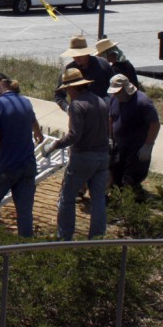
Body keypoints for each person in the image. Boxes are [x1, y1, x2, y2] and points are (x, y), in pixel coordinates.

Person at [44, 67, 111, 240]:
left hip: (83, 156)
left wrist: (54, 146)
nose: (67, 93)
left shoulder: (77, 105)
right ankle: (97, 238)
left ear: (72, 88)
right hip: (103, 156)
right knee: (98, 199)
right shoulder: (100, 101)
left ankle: (64, 238)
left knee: (67, 198)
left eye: (66, 90)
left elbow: (74, 135)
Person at [0, 72, 44, 237]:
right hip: (28, 166)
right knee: (25, 212)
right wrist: (38, 135)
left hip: (6, 167)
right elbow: (34, 123)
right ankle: (25, 250)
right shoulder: (25, 102)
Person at [106, 74, 160, 199]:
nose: (116, 94)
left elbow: (155, 124)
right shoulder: (114, 99)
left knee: (131, 177)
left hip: (137, 146)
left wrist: (148, 145)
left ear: (126, 89)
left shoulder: (143, 102)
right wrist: (110, 137)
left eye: (118, 91)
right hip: (119, 144)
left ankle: (133, 201)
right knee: (115, 174)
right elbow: (111, 117)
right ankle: (121, 197)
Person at [53, 35, 112, 111]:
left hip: (103, 112)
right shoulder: (69, 70)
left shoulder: (102, 64)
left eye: (79, 54)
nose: (76, 57)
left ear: (86, 52)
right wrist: (67, 108)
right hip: (80, 114)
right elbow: (58, 95)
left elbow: (113, 87)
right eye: (73, 55)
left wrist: (108, 104)